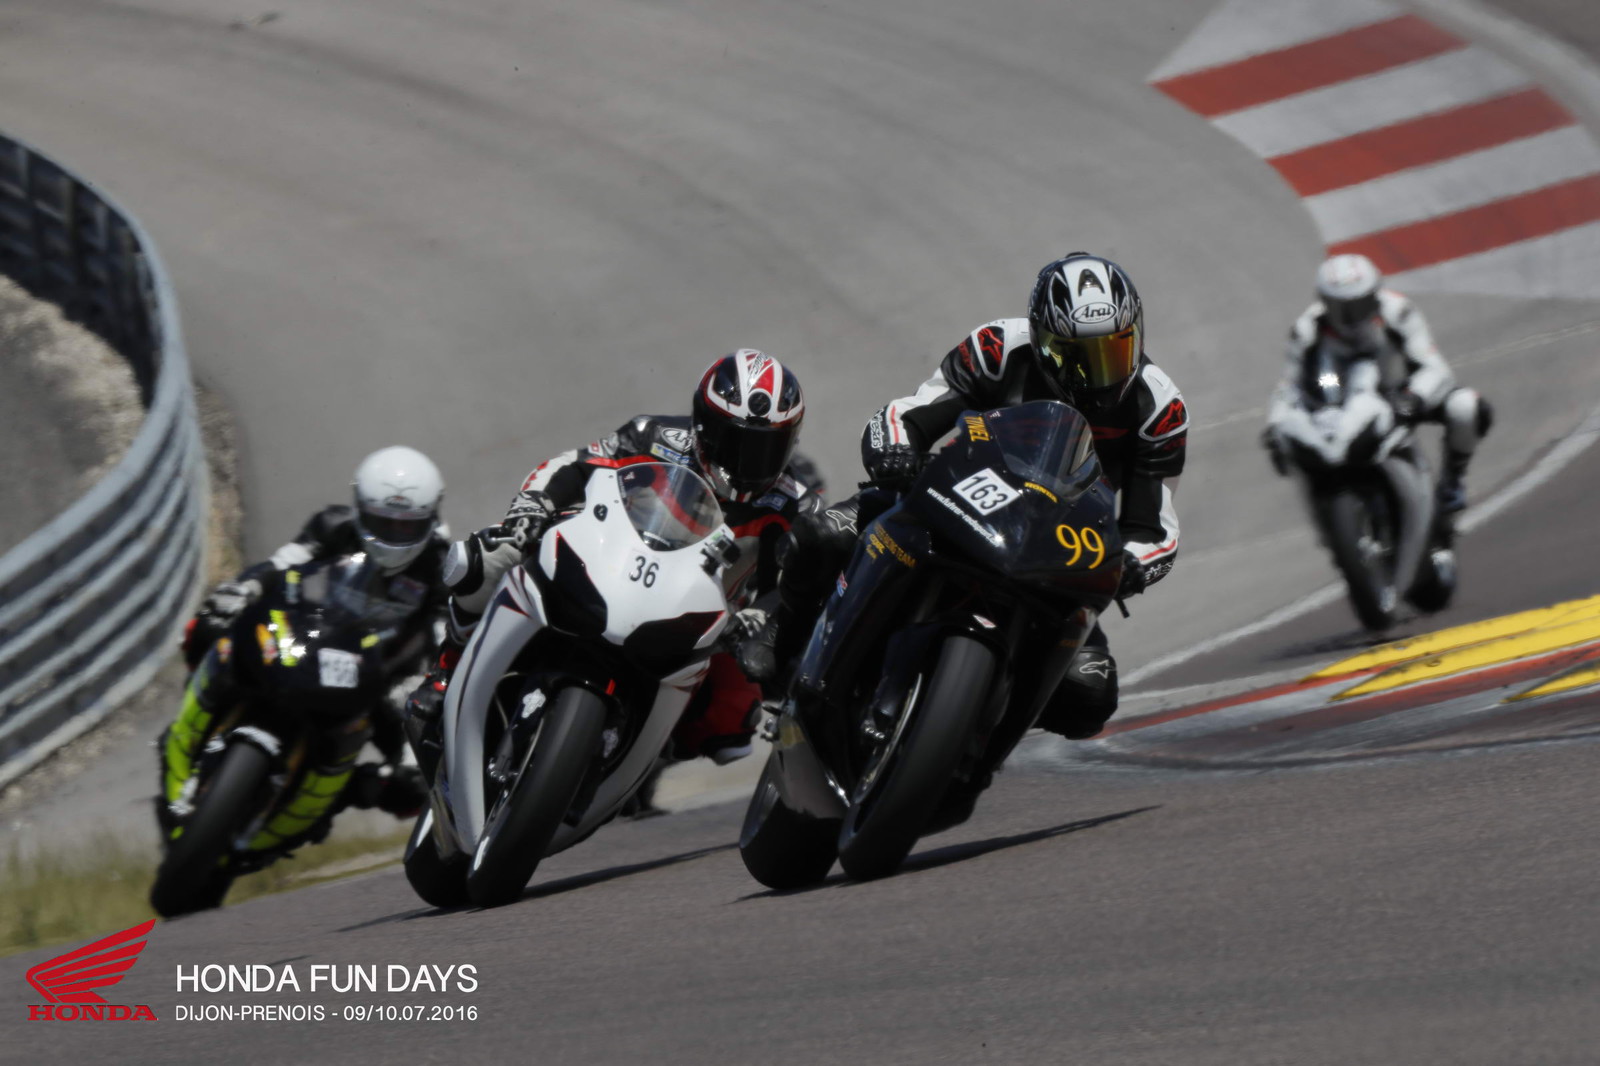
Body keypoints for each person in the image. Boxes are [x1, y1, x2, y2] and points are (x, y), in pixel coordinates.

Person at [741, 252, 1187, 741]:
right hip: (956, 496)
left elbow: (1154, 527)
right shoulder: (998, 348)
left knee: (1089, 698)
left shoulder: (1158, 407)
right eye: (1073, 356)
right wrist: (895, 450)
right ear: (1040, 337)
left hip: (1059, 548)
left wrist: (1135, 563)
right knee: (822, 535)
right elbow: (910, 412)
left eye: (1112, 353)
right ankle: (785, 637)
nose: (1095, 375)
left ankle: (969, 735)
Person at [405, 349, 812, 780]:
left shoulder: (794, 505)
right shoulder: (652, 435)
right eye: (734, 443)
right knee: (488, 557)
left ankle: (643, 765)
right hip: (607, 561)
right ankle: (446, 671)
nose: (748, 464)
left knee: (734, 724)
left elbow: (793, 586)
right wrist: (531, 509)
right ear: (703, 426)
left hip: (700, 621)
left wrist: (759, 617)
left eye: (766, 449)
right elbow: (574, 465)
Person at [159, 446, 446, 838]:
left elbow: (444, 637)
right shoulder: (333, 526)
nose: (394, 535)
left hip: (381, 681)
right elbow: (281, 564)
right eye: (383, 523)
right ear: (360, 510)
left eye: (407, 527)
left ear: (430, 519)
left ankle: (330, 802)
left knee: (414, 785)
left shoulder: (441, 565)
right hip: (310, 636)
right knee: (209, 624)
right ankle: (196, 713)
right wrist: (242, 590)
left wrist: (424, 688)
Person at [1267, 253, 1492, 514]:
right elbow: (1288, 386)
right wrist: (1275, 426)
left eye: (1361, 305)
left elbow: (1435, 368)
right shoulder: (1306, 330)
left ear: (1375, 296)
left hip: (1402, 392)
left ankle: (1453, 480)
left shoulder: (1399, 311)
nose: (1352, 317)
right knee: (1299, 440)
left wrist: (1414, 396)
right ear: (1324, 302)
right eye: (1341, 308)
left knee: (1465, 406)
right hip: (1339, 398)